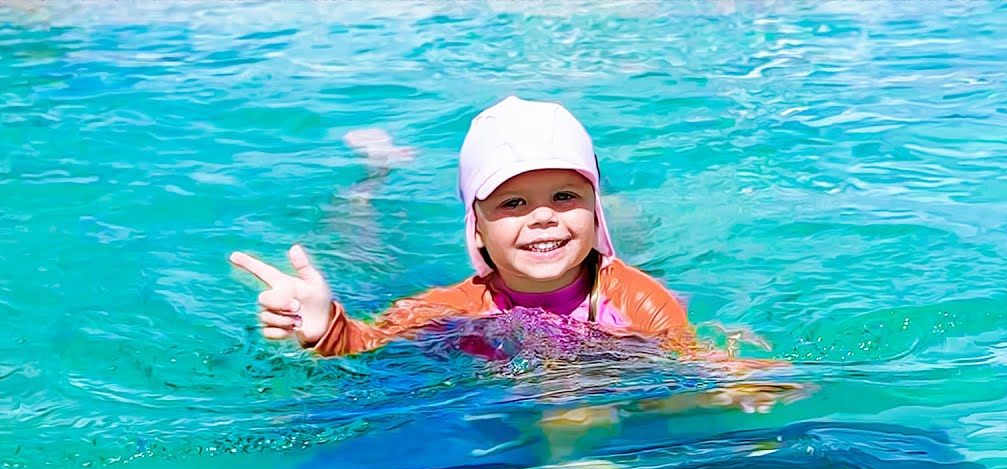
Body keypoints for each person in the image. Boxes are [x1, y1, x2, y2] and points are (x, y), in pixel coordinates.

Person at [229, 95, 716, 359]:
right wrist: (322, 327)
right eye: (513, 202)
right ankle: (375, 176)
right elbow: (366, 342)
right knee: (373, 275)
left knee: (644, 256)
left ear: (593, 212)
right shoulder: (455, 306)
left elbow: (695, 364)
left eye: (565, 196)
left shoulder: (636, 297)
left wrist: (749, 382)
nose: (543, 215)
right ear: (476, 228)